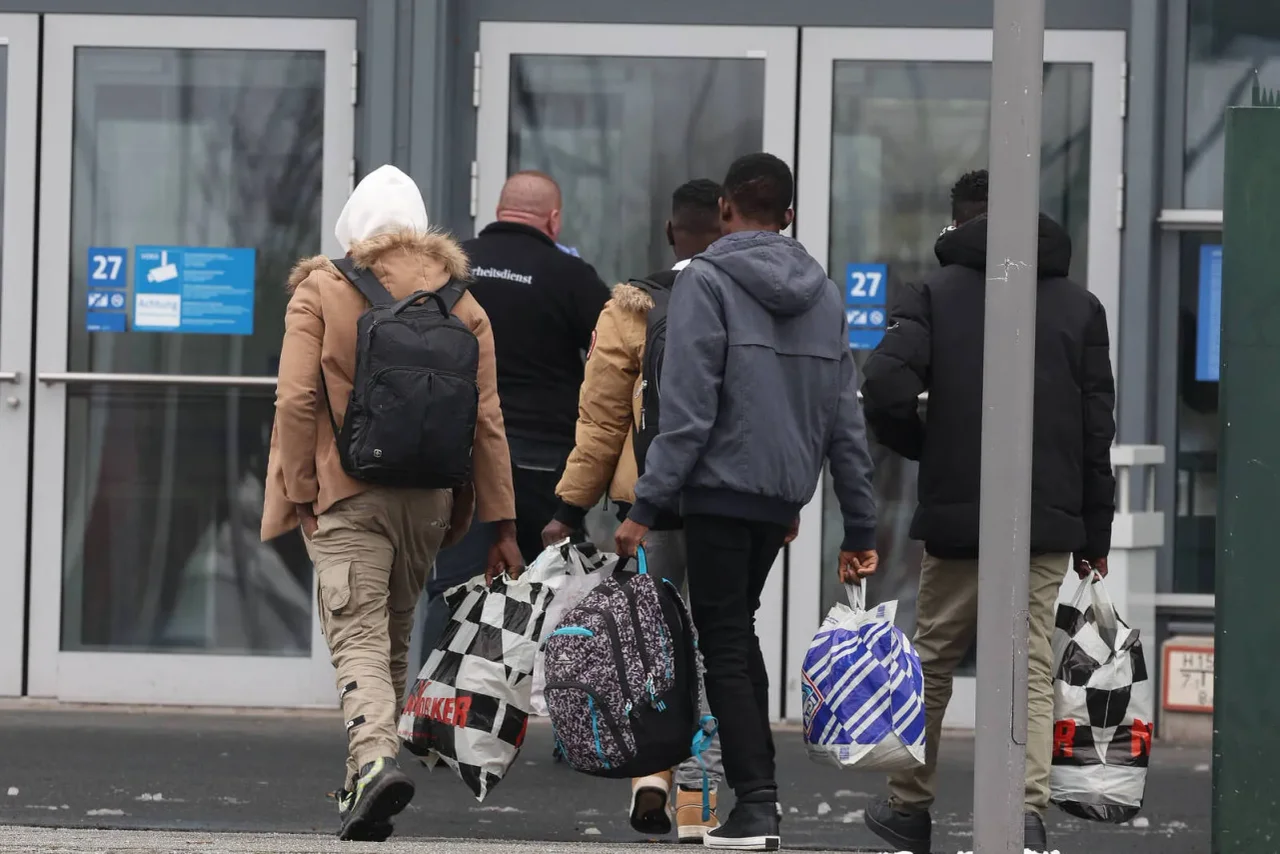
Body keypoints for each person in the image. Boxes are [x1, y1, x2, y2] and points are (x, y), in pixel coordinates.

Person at [614, 153, 880, 852]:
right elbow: (843, 420)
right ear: (788, 215)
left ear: (726, 210)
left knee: (725, 640)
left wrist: (646, 505)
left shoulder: (706, 281)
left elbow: (689, 407)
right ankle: (752, 796)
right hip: (778, 501)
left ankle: (757, 803)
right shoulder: (823, 294)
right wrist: (860, 524)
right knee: (736, 632)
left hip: (717, 490)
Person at [859, 169, 1117, 854]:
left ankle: (909, 809)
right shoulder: (1078, 306)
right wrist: (1098, 530)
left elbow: (883, 384)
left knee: (934, 659)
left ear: (957, 223)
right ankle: (1024, 818)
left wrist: (925, 443)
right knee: (1030, 663)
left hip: (960, 517)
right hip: (1045, 519)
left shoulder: (935, 294)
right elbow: (1097, 432)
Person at [261, 165, 520, 842]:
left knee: (357, 635)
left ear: (353, 228)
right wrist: (500, 521)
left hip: (348, 491)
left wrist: (297, 489)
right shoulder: (464, 304)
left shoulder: (322, 289)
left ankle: (374, 760)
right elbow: (487, 421)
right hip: (429, 500)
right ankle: (364, 780)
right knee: (394, 635)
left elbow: (294, 399)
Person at [541, 178, 727, 843]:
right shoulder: (743, 300)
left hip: (645, 505)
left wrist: (568, 505)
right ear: (727, 225)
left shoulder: (631, 307)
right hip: (726, 502)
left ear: (673, 232)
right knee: (716, 645)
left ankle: (651, 775)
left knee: (650, 645)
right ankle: (700, 799)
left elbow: (599, 420)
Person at [416, 172, 612, 659]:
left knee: (454, 585)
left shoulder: (448, 267)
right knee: (552, 586)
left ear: (499, 211)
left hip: (458, 453)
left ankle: (435, 712)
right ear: (554, 219)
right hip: (541, 460)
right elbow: (614, 362)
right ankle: (551, 700)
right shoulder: (570, 276)